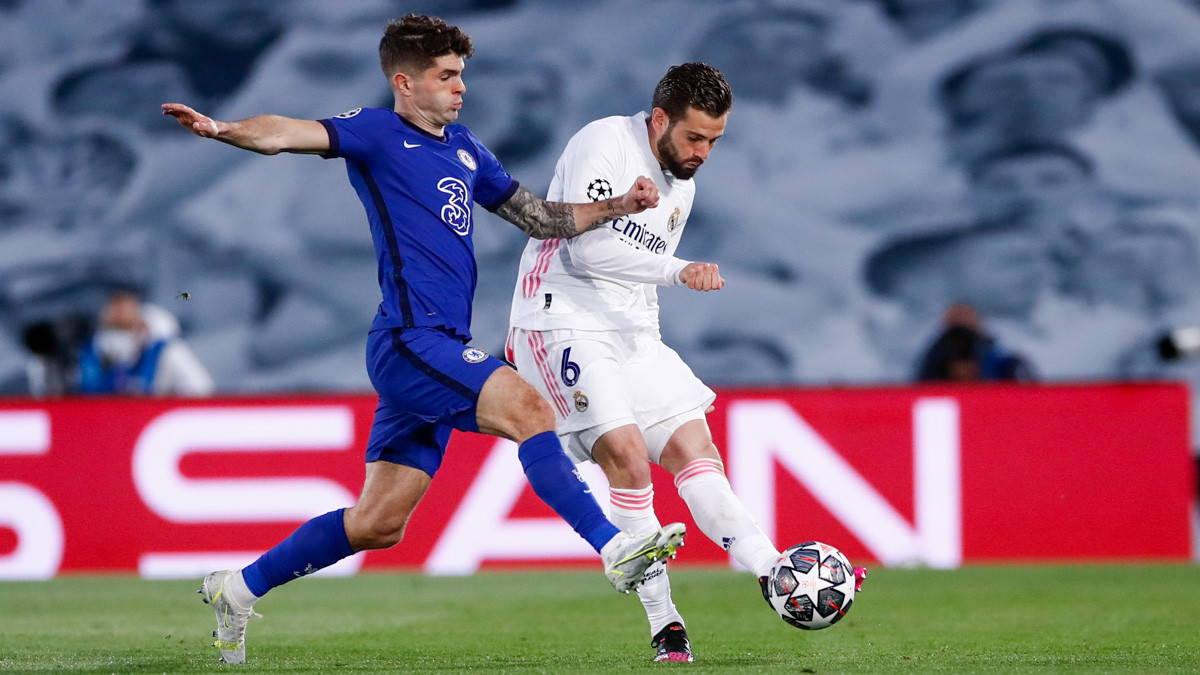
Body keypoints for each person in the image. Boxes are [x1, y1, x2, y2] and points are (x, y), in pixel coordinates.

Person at [162, 14, 685, 665]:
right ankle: (613, 547)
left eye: (462, 74)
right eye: (446, 75)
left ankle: (236, 588)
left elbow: (538, 217)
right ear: (404, 83)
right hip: (412, 340)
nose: (460, 87)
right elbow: (287, 133)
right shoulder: (377, 132)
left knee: (379, 522)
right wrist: (225, 129)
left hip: (433, 347)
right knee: (529, 409)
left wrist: (615, 207)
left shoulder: (466, 148)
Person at [505, 63, 866, 663]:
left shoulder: (684, 186)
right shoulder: (605, 142)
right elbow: (590, 249)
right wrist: (680, 270)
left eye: (715, 142)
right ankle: (664, 621)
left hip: (632, 331)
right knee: (624, 454)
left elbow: (633, 279)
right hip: (559, 317)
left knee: (697, 453)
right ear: (659, 119)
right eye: (694, 138)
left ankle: (774, 571)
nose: (702, 153)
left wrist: (649, 342)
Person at [77, 290, 215, 396]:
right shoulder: (94, 351)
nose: (117, 314)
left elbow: (200, 388)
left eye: (123, 309)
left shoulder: (165, 351)